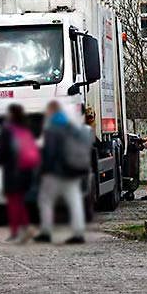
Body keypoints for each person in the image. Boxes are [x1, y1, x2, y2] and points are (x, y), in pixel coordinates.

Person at [34, 101, 86, 244]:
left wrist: (43, 171)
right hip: (73, 169)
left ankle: (46, 232)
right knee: (74, 201)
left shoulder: (52, 129)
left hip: (55, 172)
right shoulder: (71, 127)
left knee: (45, 200)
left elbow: (50, 152)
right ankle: (78, 233)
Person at [0, 104, 40, 242]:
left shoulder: (7, 131)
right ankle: (26, 228)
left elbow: (2, 152)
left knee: (13, 201)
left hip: (12, 170)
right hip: (25, 169)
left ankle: (16, 231)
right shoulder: (25, 129)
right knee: (19, 200)